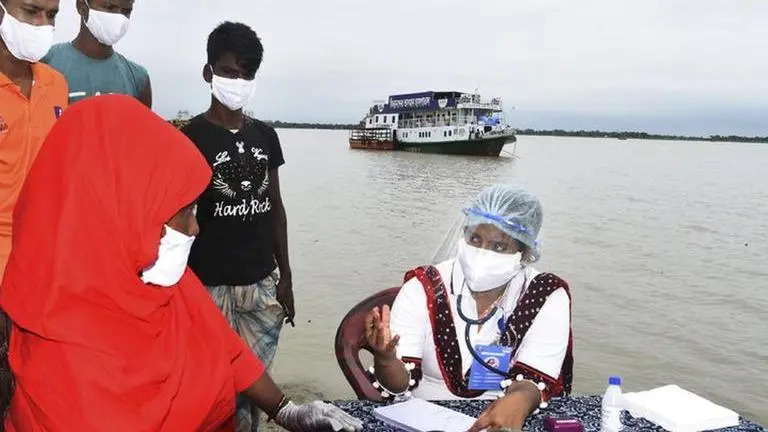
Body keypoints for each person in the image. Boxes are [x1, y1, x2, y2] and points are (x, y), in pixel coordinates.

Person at [0, 95, 361, 432]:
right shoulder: (61, 363)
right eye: (185, 211)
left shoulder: (160, 281)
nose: (195, 227)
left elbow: (228, 349)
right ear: (126, 214)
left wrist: (286, 410)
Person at [365, 185, 574, 431]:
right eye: (475, 239)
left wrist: (519, 400)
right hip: (421, 419)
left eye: (499, 246)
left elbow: (535, 380)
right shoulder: (423, 287)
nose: (481, 253)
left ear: (525, 253)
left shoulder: (544, 295)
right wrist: (386, 359)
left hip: (502, 416)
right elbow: (398, 385)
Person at [180, 22, 293, 431]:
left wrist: (286, 279)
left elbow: (275, 207)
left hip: (261, 283)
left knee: (256, 388)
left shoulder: (266, 136)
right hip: (208, 287)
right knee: (214, 386)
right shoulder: (189, 138)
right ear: (209, 73)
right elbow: (177, 218)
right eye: (229, 72)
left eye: (247, 74)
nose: (238, 81)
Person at [0, 0, 67, 279]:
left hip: (44, 259)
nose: (43, 23)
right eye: (31, 11)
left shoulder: (56, 84)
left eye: (51, 15)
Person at [42, 0, 151, 107]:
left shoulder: (138, 78)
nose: (119, 17)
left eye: (126, 11)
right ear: (82, 7)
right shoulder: (46, 62)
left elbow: (142, 124)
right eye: (109, 7)